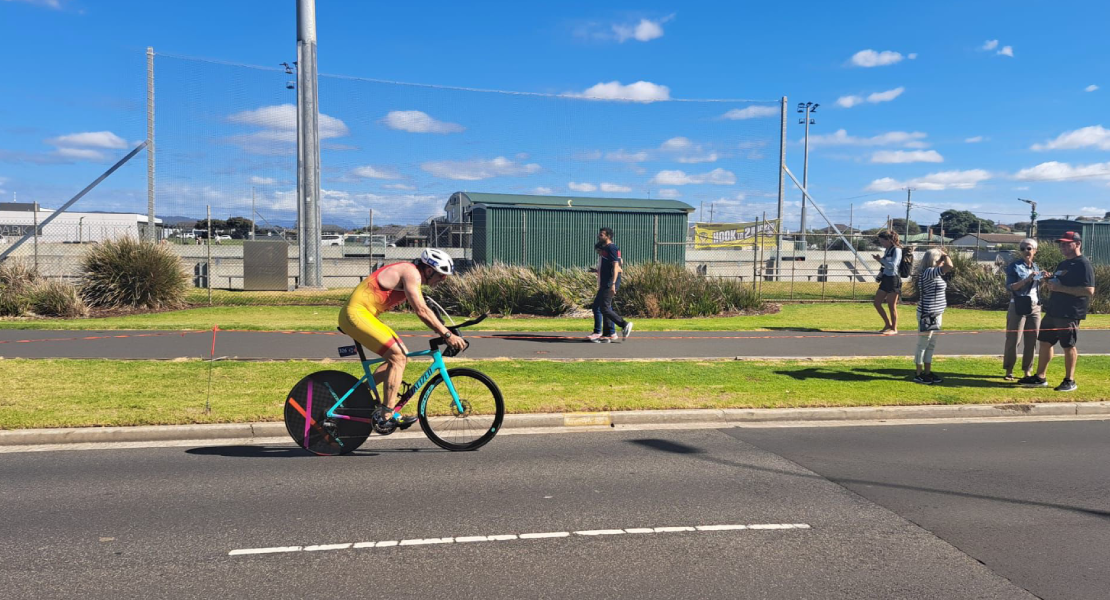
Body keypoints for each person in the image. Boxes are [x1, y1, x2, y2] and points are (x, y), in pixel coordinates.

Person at [338, 248, 466, 429]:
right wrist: (446, 335)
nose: (443, 279)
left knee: (401, 355)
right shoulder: (411, 273)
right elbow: (421, 311)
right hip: (356, 314)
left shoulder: (413, 276)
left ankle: (358, 395)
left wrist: (447, 330)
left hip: (361, 315)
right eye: (441, 275)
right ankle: (387, 415)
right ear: (429, 270)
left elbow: (428, 309)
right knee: (397, 357)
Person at [1022, 232, 1096, 391]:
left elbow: (1089, 290)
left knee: (1068, 345)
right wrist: (1048, 279)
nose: (1062, 247)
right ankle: (1040, 377)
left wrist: (1060, 288)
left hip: (1069, 312)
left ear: (1077, 244)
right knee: (1045, 342)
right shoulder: (1063, 264)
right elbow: (1059, 282)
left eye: (1066, 243)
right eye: (1061, 244)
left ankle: (1070, 380)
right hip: (1054, 310)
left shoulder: (1083, 264)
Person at [1002, 238, 1042, 381]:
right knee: (1014, 339)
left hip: (1035, 306)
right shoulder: (1014, 266)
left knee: (1032, 340)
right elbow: (1010, 287)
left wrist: (1046, 278)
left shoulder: (1036, 267)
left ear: (1035, 251)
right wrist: (1027, 279)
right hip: (1019, 304)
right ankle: (1009, 370)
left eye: (1029, 248)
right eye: (1023, 249)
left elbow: (1036, 287)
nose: (1026, 251)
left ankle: (1027, 371)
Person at [912, 248, 954, 384]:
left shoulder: (932, 272)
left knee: (931, 344)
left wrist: (942, 258)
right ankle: (918, 373)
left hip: (936, 312)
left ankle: (927, 372)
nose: (942, 261)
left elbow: (946, 266)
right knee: (923, 344)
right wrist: (945, 255)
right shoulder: (929, 272)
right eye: (940, 259)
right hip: (928, 313)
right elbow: (950, 266)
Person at [586, 227, 633, 343]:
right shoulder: (606, 248)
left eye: (601, 234)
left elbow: (617, 266)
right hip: (604, 282)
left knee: (604, 308)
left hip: (609, 282)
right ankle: (609, 334)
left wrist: (612, 284)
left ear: (608, 236)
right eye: (599, 234)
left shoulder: (612, 247)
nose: (599, 236)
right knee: (599, 306)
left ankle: (624, 324)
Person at [871, 230, 903, 335]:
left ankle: (894, 328)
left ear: (889, 240)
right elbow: (884, 265)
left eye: (883, 241)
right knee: (877, 303)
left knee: (891, 305)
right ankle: (887, 324)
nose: (882, 244)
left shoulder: (897, 250)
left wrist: (881, 260)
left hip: (894, 279)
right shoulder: (888, 250)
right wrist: (879, 275)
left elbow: (893, 265)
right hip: (885, 278)